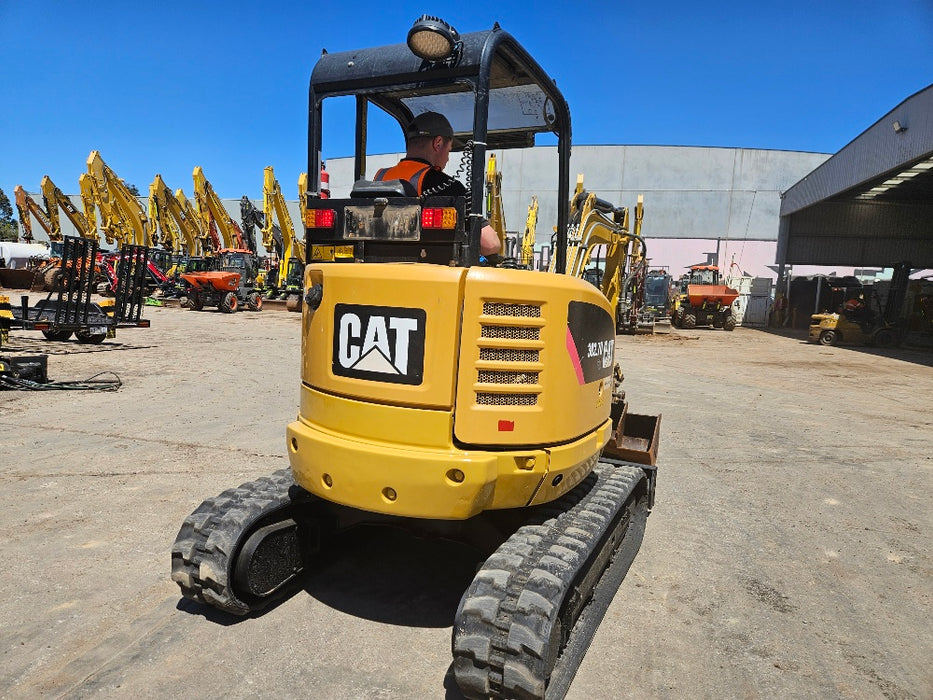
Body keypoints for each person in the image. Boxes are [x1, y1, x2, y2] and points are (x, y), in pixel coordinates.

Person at [374, 111, 500, 257]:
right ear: (438, 143)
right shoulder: (447, 186)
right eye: (449, 150)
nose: (447, 158)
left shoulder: (380, 177)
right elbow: (489, 244)